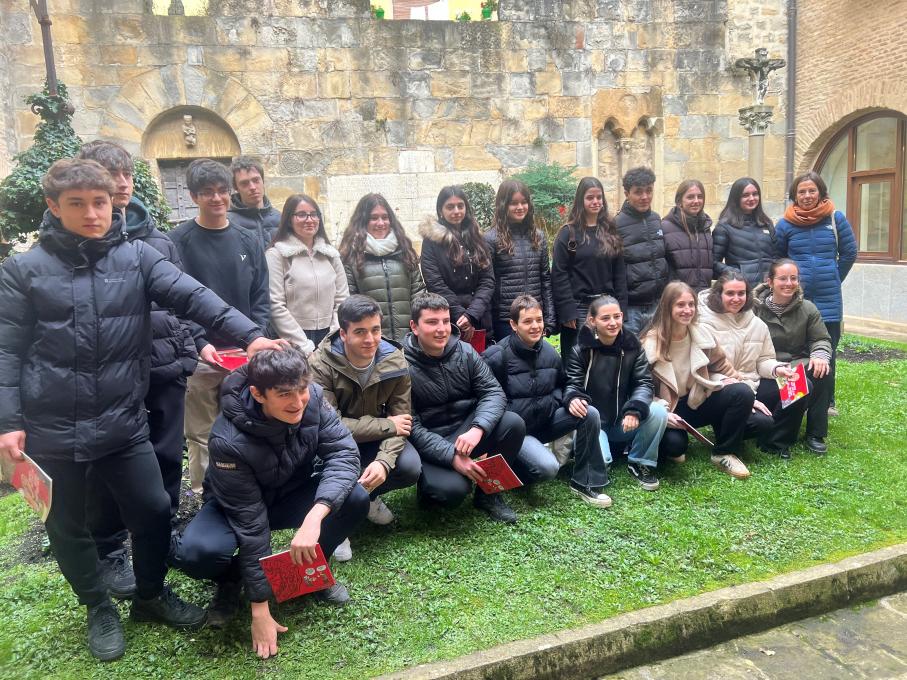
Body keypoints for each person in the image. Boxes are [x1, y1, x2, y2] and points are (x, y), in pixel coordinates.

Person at [0, 158, 283, 661]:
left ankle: (149, 593)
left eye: (101, 202)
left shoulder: (136, 257)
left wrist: (252, 336)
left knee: (154, 509)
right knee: (65, 522)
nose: (92, 214)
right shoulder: (24, 269)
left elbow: (196, 297)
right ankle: (96, 606)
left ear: (114, 202)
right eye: (78, 204)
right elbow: (7, 349)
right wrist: (9, 422)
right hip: (51, 427)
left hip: (122, 420)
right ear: (53, 207)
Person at [170, 347, 369, 659]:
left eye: (302, 389)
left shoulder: (313, 398)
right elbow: (251, 523)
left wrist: (314, 518)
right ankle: (231, 580)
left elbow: (344, 454)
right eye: (285, 394)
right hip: (235, 505)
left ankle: (307, 572)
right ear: (258, 394)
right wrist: (259, 608)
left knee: (355, 497)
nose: (298, 401)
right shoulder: (228, 440)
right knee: (196, 553)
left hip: (290, 492)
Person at [76, 141, 198, 600]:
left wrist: (186, 352)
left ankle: (159, 536)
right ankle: (109, 549)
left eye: (126, 173)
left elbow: (185, 300)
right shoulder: (82, 244)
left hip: (164, 367)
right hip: (108, 376)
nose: (123, 181)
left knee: (166, 456)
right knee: (106, 464)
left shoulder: (158, 239)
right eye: (112, 173)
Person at [169, 158, 271, 493]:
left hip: (245, 354)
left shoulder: (247, 240)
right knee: (200, 433)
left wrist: (253, 338)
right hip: (202, 355)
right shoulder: (178, 242)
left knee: (249, 422)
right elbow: (175, 300)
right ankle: (205, 494)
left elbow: (260, 296)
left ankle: (248, 489)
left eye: (222, 191)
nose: (216, 198)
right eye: (207, 192)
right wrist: (199, 342)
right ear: (193, 196)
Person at [308, 295, 422, 560]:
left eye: (376, 330)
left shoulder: (395, 360)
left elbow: (402, 420)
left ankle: (367, 498)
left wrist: (383, 461)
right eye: (360, 332)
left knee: (409, 467)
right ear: (343, 333)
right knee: (322, 470)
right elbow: (330, 427)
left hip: (373, 438)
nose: (370, 339)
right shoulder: (319, 365)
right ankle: (337, 519)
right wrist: (385, 425)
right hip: (330, 444)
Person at [404, 293, 525, 523]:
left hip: (467, 430)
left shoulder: (465, 351)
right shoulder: (401, 365)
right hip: (432, 439)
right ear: (414, 327)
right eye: (431, 322)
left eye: (445, 321)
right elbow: (412, 426)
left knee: (513, 423)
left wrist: (478, 428)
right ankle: (428, 484)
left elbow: (493, 392)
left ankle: (489, 495)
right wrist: (451, 457)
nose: (441, 329)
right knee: (452, 493)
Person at [483, 295, 611, 506]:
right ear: (513, 325)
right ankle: (514, 470)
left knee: (590, 413)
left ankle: (585, 481)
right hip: (517, 432)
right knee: (548, 468)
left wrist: (571, 398)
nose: (535, 326)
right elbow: (485, 400)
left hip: (546, 421)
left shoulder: (550, 352)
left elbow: (565, 383)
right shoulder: (496, 356)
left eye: (539, 320)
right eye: (527, 321)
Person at [641, 282, 755, 479]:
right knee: (675, 447)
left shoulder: (702, 334)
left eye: (691, 304)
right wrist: (660, 410)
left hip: (697, 400)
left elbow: (722, 365)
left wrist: (747, 389)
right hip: (669, 410)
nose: (687, 310)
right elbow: (639, 387)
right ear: (668, 307)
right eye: (681, 305)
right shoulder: (650, 344)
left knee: (742, 392)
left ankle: (723, 453)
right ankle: (674, 448)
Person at [696, 272, 805, 460]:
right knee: (760, 423)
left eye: (741, 293)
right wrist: (742, 391)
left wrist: (776, 369)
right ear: (718, 294)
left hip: (752, 384)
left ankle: (774, 442)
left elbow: (763, 359)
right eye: (730, 293)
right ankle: (732, 429)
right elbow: (703, 370)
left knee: (799, 385)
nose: (736, 299)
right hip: (722, 391)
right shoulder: (702, 324)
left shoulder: (756, 323)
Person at [774, 171, 857, 417]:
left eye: (812, 190)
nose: (807, 196)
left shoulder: (835, 218)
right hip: (796, 300)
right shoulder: (785, 224)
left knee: (826, 350)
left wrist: (833, 276)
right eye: (802, 191)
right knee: (795, 351)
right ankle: (796, 400)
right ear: (794, 196)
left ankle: (826, 402)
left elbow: (850, 252)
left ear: (820, 192)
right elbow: (778, 258)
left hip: (829, 299)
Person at [564, 295, 667, 492]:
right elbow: (572, 385)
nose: (613, 323)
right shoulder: (580, 351)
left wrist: (634, 410)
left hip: (624, 422)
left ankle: (639, 461)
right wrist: (573, 399)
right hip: (595, 425)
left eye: (617, 316)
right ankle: (603, 452)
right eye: (605, 318)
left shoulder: (633, 347)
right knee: (601, 462)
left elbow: (644, 383)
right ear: (592, 321)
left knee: (658, 411)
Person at [753, 259, 834, 454]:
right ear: (770, 282)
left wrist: (820, 355)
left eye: (793, 278)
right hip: (764, 366)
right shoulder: (754, 308)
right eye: (782, 278)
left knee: (822, 370)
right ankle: (778, 439)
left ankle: (815, 433)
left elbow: (820, 338)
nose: (789, 283)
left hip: (797, 362)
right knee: (795, 382)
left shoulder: (807, 308)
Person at [552, 176, 627, 362]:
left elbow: (619, 274)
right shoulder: (568, 233)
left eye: (599, 197)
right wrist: (568, 311)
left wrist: (620, 309)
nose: (595, 202)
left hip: (607, 306)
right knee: (577, 362)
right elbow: (559, 275)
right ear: (581, 201)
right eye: (590, 197)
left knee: (606, 361)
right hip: (579, 308)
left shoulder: (610, 230)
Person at [266, 193, 349, 354]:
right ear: (289, 219)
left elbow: (342, 300)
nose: (309, 220)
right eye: (301, 215)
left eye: (313, 214)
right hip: (291, 340)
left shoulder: (331, 255)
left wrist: (333, 338)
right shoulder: (277, 255)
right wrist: (303, 345)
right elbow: (275, 305)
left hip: (330, 335)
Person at [338, 194, 425, 343]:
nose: (381, 223)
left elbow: (418, 293)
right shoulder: (350, 256)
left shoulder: (405, 251)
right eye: (374, 218)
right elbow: (350, 300)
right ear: (363, 221)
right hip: (370, 342)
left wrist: (418, 330)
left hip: (409, 340)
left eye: (385, 217)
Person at [419, 186, 495, 343]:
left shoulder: (477, 238)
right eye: (450, 207)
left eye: (460, 206)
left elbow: (487, 280)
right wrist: (460, 315)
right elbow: (435, 283)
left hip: (480, 318)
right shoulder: (432, 242)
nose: (456, 211)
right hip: (449, 319)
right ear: (441, 210)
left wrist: (472, 315)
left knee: (482, 363)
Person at [484, 179, 555, 341]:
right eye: (513, 203)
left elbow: (545, 280)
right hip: (506, 320)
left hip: (534, 317)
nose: (520, 207)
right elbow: (487, 284)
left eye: (524, 202)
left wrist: (549, 317)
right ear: (503, 205)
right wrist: (488, 327)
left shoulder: (538, 237)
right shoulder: (491, 239)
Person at [615, 167, 670, 336]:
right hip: (632, 308)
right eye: (638, 192)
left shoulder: (656, 219)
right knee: (632, 357)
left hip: (657, 304)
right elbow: (615, 269)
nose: (645, 197)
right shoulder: (616, 224)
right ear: (627, 193)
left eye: (649, 191)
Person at [713, 177, 775, 288]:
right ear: (736, 198)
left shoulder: (766, 223)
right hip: (742, 290)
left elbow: (776, 256)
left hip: (768, 289)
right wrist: (736, 274)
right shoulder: (724, 226)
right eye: (745, 195)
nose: (751, 198)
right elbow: (713, 262)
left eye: (755, 194)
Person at [661, 179, 714, 292]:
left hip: (702, 297)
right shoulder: (666, 227)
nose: (696, 201)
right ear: (679, 201)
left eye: (700, 196)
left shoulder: (705, 228)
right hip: (678, 297)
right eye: (690, 197)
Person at [228, 155, 281, 249]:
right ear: (236, 188)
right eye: (244, 183)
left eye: (256, 180)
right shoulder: (227, 222)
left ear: (263, 181)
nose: (252, 187)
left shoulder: (280, 219)